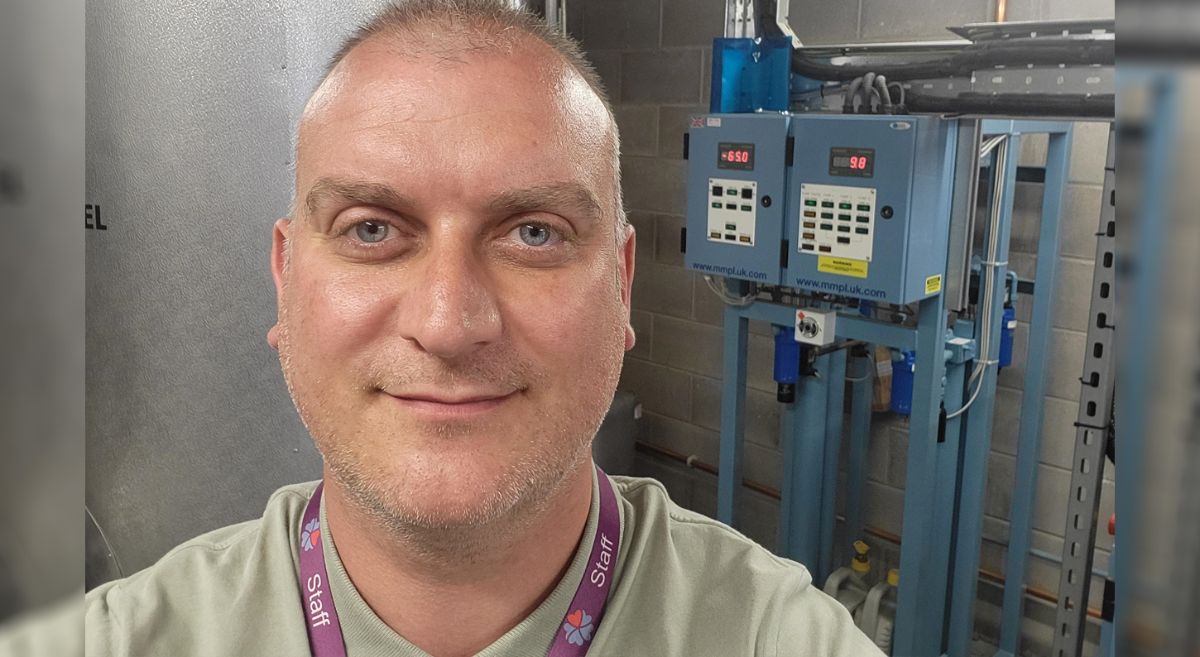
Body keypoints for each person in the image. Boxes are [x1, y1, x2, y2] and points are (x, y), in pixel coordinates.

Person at [83, 1, 885, 655]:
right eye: (371, 229)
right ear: (287, 279)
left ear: (623, 284)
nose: (448, 323)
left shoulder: (777, 638)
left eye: (534, 233)